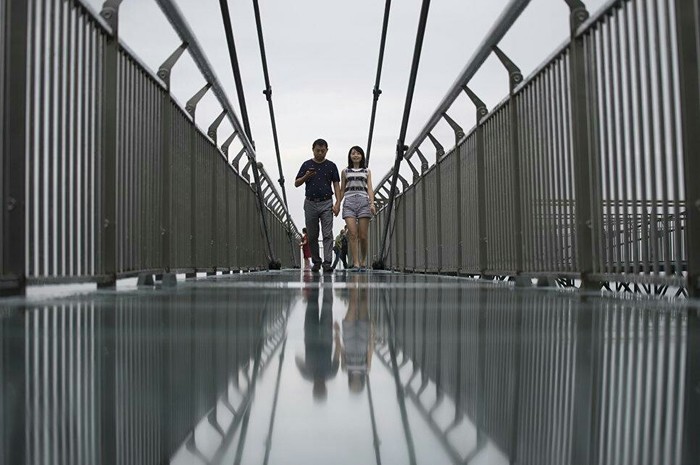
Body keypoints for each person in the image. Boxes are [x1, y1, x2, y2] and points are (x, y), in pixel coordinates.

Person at [295, 139, 341, 273]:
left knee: (327, 233)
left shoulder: (331, 166)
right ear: (313, 150)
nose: (320, 153)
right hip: (310, 202)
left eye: (323, 151)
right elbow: (296, 183)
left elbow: (336, 184)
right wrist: (306, 176)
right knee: (312, 235)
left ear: (327, 150)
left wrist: (338, 203)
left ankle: (327, 262)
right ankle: (316, 262)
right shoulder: (306, 164)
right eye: (317, 151)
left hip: (327, 202)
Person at [295, 281, 341, 401]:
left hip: (325, 337)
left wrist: (337, 334)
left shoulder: (330, 374)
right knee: (313, 303)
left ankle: (326, 279)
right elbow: (297, 359)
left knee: (326, 304)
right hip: (311, 336)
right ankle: (320, 277)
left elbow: (337, 353)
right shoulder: (307, 374)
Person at [337, 146, 376, 270]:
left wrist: (372, 203)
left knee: (363, 236)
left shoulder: (367, 171)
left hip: (363, 201)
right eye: (353, 153)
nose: (355, 155)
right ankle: (356, 262)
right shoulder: (345, 171)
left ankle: (363, 260)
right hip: (349, 202)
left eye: (358, 153)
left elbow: (369, 188)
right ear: (350, 156)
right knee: (352, 234)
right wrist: (337, 203)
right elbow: (342, 189)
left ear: (362, 156)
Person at [337, 274, 373, 393]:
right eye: (357, 386)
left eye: (354, 386)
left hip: (348, 336)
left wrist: (336, 333)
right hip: (363, 336)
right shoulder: (366, 369)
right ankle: (363, 278)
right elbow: (370, 351)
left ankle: (355, 277)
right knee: (363, 302)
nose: (356, 384)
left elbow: (341, 350)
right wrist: (373, 333)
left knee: (352, 303)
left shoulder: (344, 369)